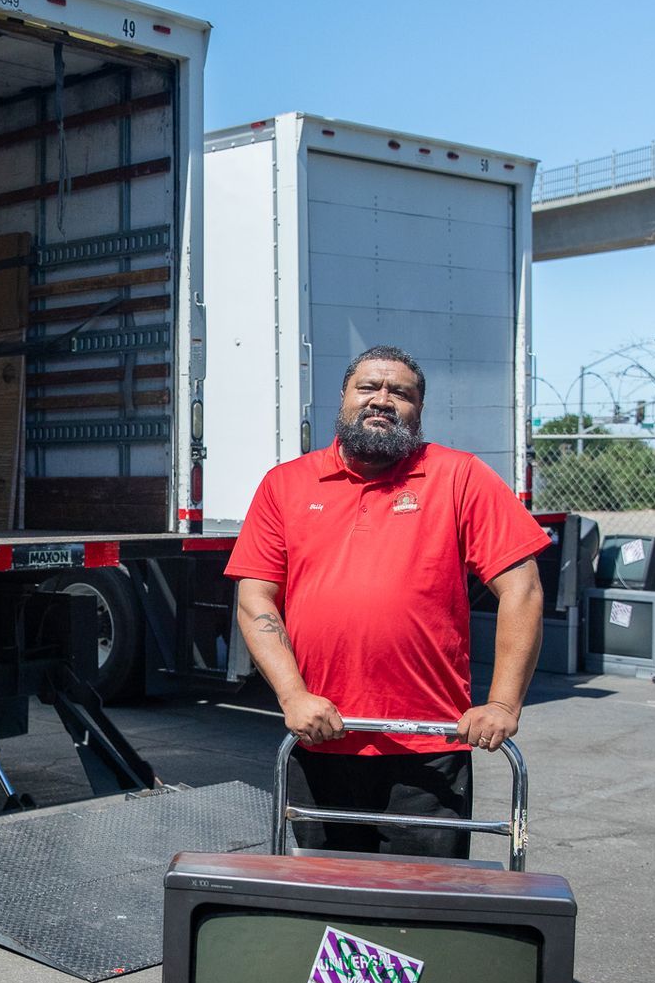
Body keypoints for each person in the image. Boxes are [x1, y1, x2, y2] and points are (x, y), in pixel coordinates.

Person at [226, 345, 549, 857]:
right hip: (321, 736)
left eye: (400, 392)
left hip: (428, 745)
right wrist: (292, 696)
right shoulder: (285, 484)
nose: (382, 399)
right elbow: (255, 598)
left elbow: (522, 589)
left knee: (419, 908)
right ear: (343, 398)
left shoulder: (459, 476)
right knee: (324, 899)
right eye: (368, 387)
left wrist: (503, 703)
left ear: (419, 410)